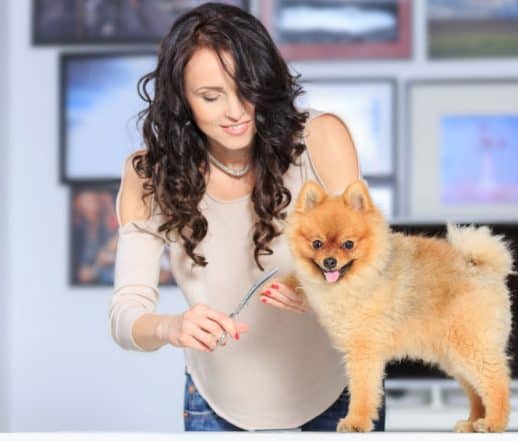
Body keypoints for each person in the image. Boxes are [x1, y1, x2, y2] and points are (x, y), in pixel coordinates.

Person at [108, 2, 386, 432]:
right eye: (210, 96)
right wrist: (171, 326)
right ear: (181, 98)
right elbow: (126, 316)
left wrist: (323, 295)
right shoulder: (148, 175)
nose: (236, 112)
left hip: (341, 391)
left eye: (246, 89)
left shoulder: (320, 138)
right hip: (216, 402)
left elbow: (377, 271)